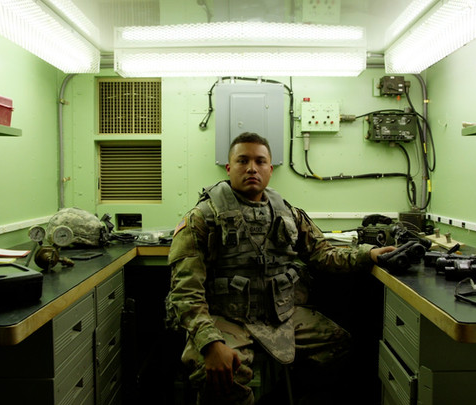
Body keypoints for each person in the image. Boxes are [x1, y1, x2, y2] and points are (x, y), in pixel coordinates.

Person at [165, 132, 395, 404]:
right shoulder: (202, 217)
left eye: (260, 161)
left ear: (270, 169)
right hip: (226, 316)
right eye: (243, 161)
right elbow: (185, 292)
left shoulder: (287, 213)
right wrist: (210, 342)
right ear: (229, 168)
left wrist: (369, 254)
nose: (252, 168)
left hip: (280, 312)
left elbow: (323, 254)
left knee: (339, 345)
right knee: (218, 375)